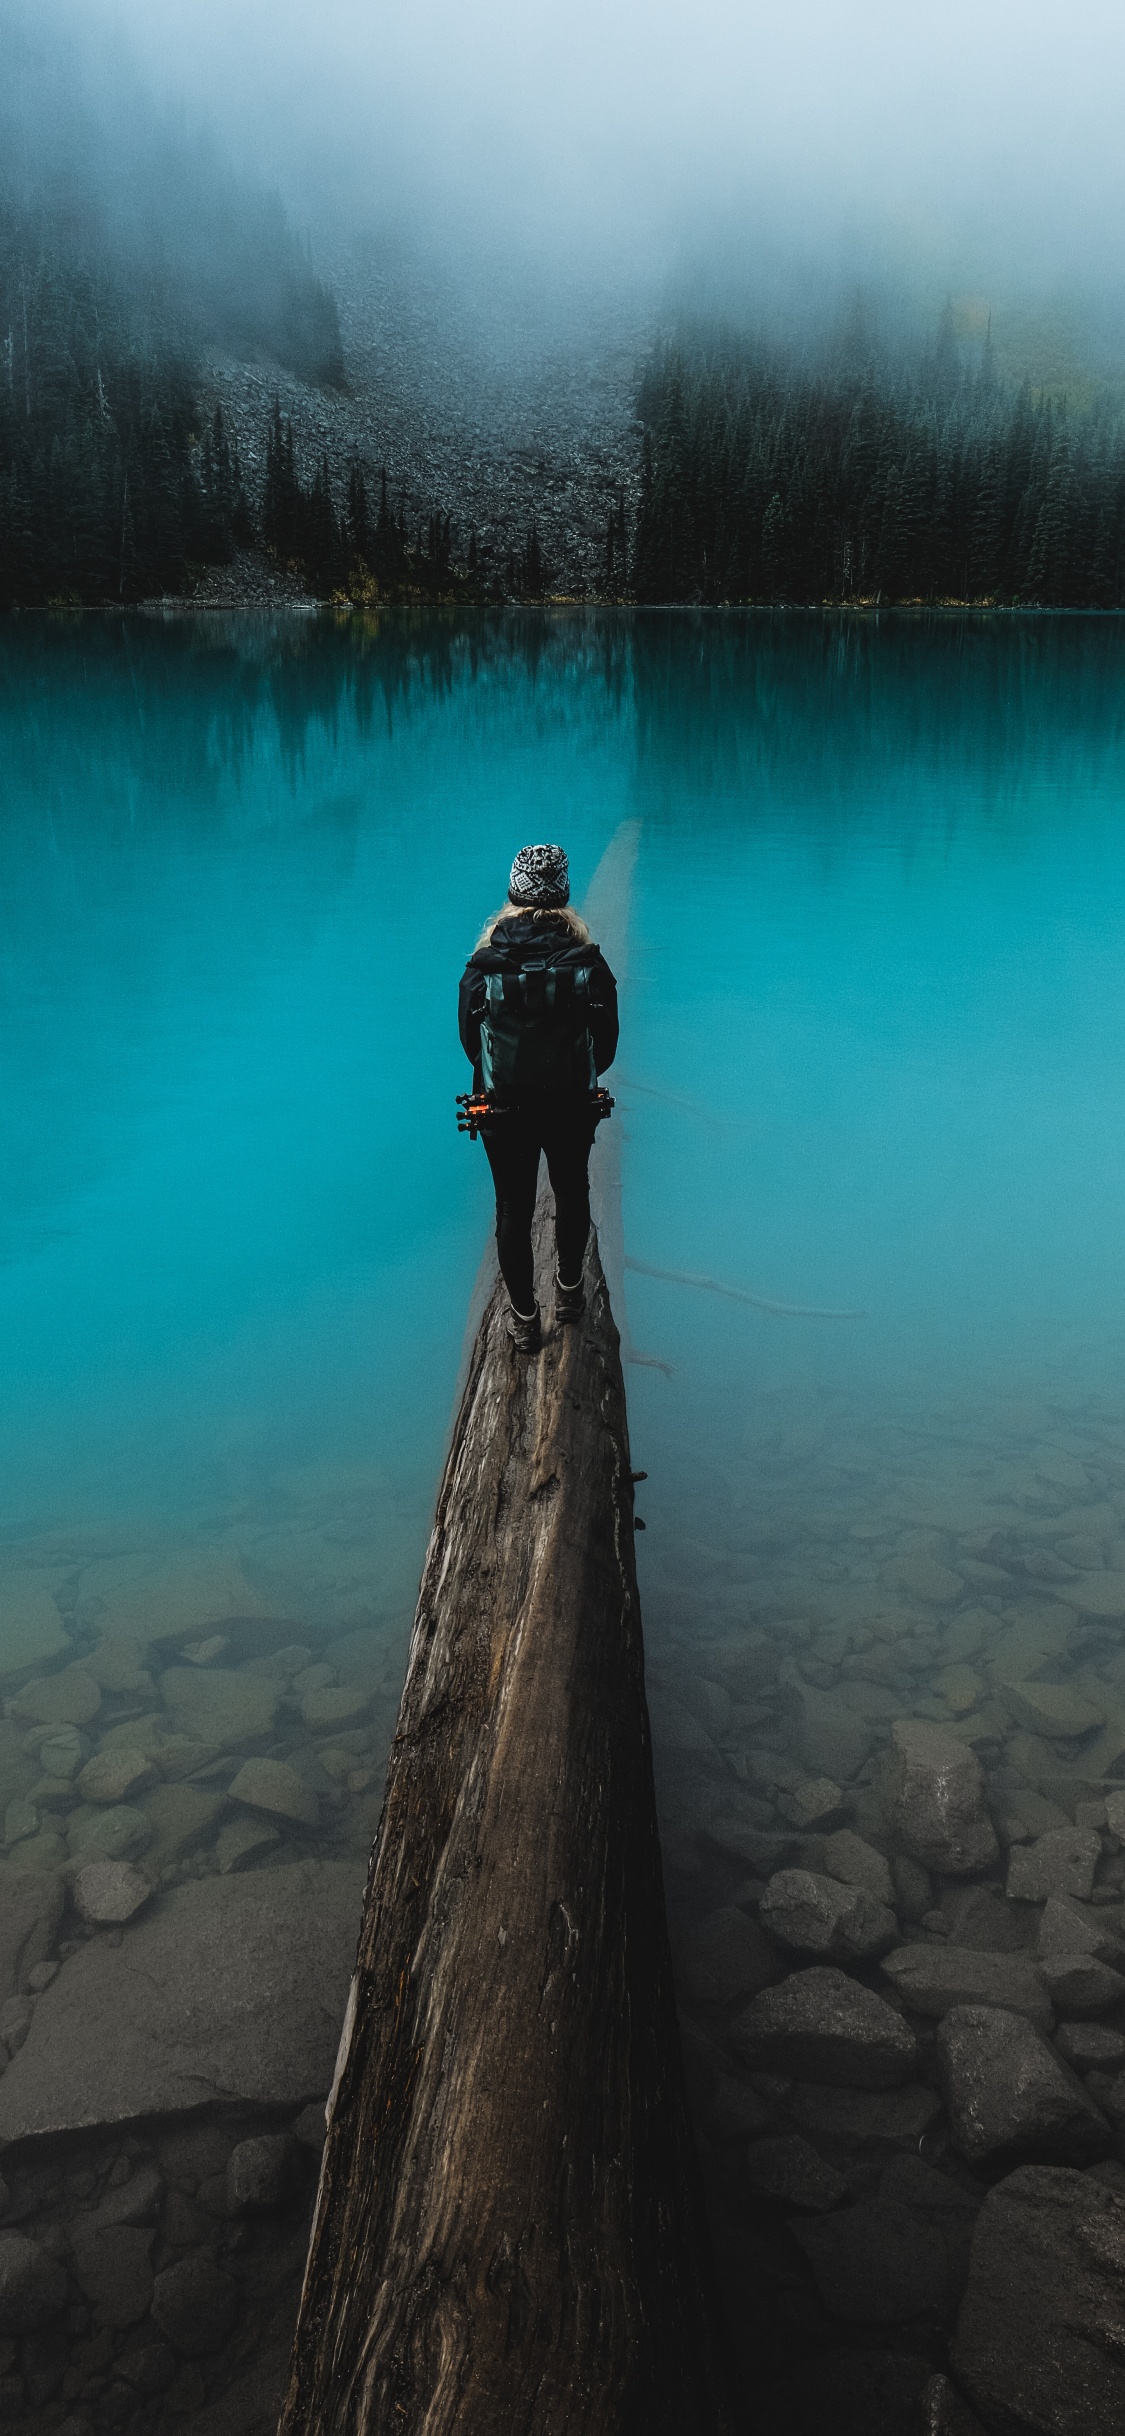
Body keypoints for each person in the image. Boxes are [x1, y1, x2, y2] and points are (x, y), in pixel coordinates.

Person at [459, 842, 619, 1351]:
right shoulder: (589, 964)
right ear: (564, 894)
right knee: (572, 1192)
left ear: (513, 893)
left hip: (503, 1110)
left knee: (512, 1208)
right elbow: (608, 1048)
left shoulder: (482, 968)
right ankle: (570, 1293)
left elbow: (470, 1046)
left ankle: (525, 1320)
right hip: (572, 1106)